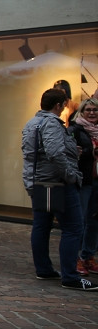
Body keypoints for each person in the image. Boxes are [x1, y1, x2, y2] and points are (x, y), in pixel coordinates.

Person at [22, 87, 91, 291]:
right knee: (73, 227)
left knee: (42, 225)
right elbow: (53, 153)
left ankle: (44, 269)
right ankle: (70, 276)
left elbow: (36, 151)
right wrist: (71, 174)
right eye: (64, 105)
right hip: (56, 183)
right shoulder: (51, 123)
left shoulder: (32, 122)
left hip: (39, 182)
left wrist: (70, 150)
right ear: (58, 105)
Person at [71, 98, 98, 275]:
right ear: (82, 111)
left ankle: (88, 256)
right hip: (84, 181)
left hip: (97, 181)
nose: (92, 113)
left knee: (94, 220)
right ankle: (76, 259)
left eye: (95, 110)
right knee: (79, 221)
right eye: (88, 109)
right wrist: (90, 151)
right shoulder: (75, 130)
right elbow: (71, 153)